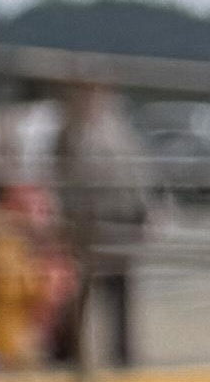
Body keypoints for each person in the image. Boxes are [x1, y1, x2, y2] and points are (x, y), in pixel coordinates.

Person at [52, 80, 152, 367]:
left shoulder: (119, 129)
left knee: (118, 289)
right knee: (79, 290)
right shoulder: (70, 131)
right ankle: (70, 350)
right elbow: (61, 179)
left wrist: (143, 210)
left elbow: (136, 172)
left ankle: (121, 352)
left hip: (119, 217)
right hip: (87, 221)